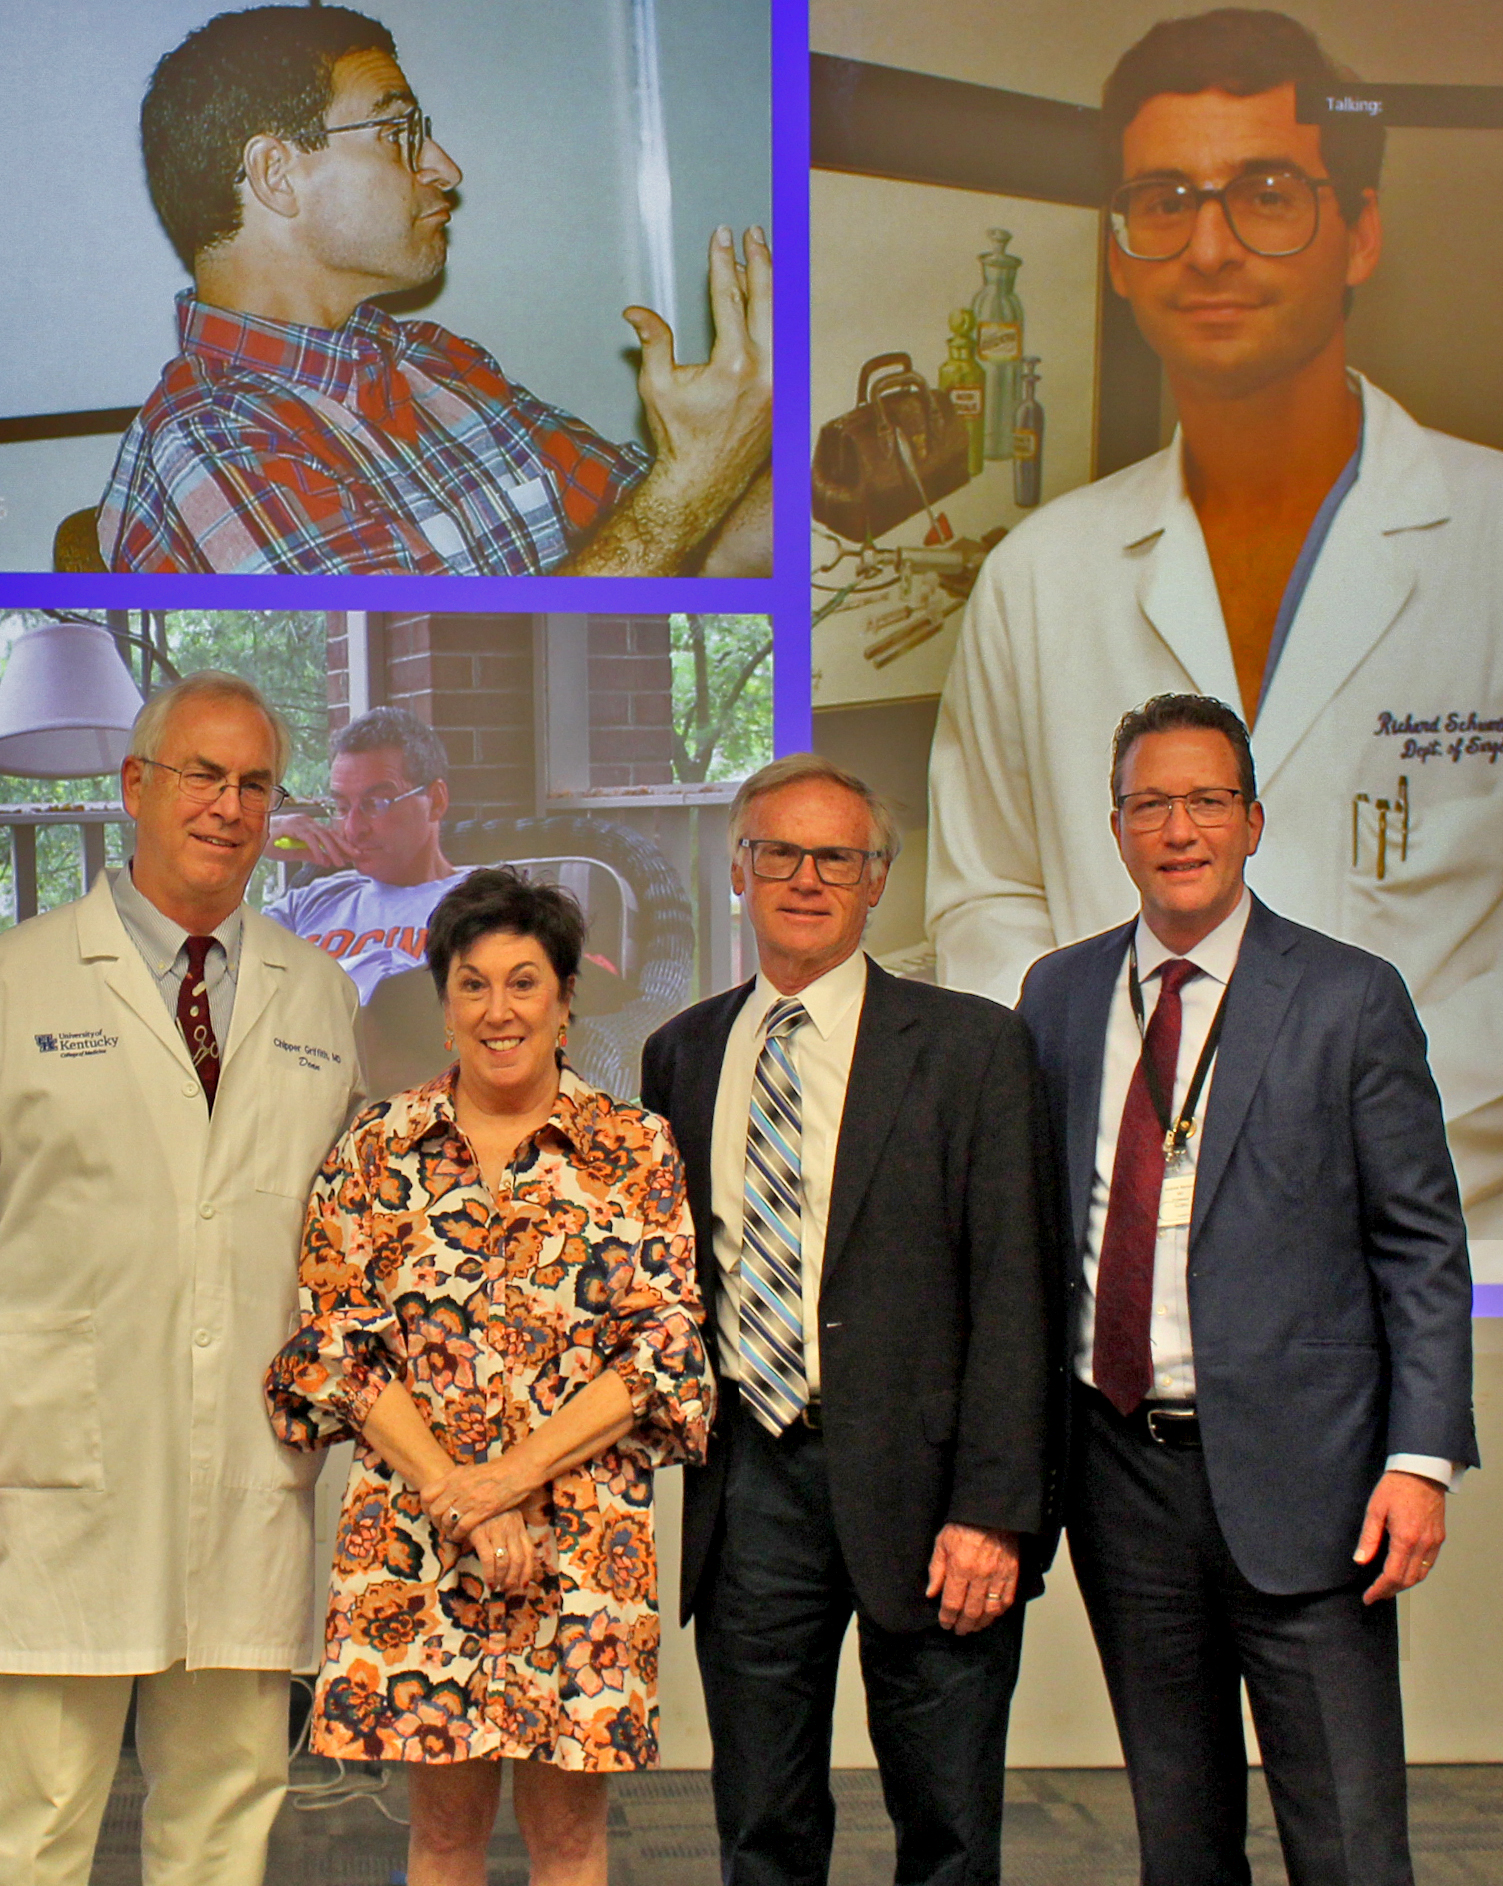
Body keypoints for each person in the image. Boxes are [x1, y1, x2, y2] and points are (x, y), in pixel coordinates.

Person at [926, 7, 1503, 1240]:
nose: (1210, 243)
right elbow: (984, 902)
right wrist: (1103, 1094)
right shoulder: (1038, 573)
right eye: (1164, 199)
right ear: (1122, 253)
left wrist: (1310, 1114)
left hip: (1441, 1216)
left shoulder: (1490, 535)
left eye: (1267, 192)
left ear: (1358, 232)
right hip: (1120, 1213)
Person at [0, 671, 362, 1886]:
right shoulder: (8, 982)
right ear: (136, 785)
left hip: (246, 1458)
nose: (228, 805)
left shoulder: (319, 993)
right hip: (59, 1464)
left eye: (253, 782)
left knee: (228, 1801)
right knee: (42, 1809)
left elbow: (337, 1232)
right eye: (202, 774)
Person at [1016, 693, 1476, 1886]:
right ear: (1114, 827)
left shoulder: (1347, 994)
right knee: (1178, 1838)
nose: (1180, 828)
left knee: (1350, 1843)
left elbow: (1421, 1245)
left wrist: (1418, 1460)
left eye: (1206, 800)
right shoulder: (1057, 995)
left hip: (1311, 1482)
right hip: (1121, 1472)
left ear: (1254, 820)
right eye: (1150, 803)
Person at [641, 755, 1056, 1886]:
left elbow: (1019, 1289)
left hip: (931, 1501)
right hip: (752, 1486)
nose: (807, 877)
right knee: (759, 1826)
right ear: (738, 869)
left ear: (880, 880)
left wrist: (995, 1510)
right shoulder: (680, 1052)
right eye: (780, 851)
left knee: (948, 1831)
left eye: (839, 856)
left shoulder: (973, 1047)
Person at [266, 866, 709, 1885]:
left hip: (580, 1541)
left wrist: (503, 1483)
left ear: (564, 1001)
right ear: (444, 1002)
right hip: (420, 1536)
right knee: (442, 1838)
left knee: (568, 1840)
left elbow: (660, 1350)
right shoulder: (377, 1149)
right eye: (472, 984)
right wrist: (455, 1493)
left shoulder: (632, 1148)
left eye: (523, 982)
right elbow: (334, 1347)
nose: (497, 1008)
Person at [98, 4, 770, 577]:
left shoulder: (434, 363)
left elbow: (691, 538)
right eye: (397, 133)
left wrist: (817, 472)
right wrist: (691, 480)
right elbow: (504, 645)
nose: (445, 168)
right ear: (275, 174)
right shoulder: (214, 440)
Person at [266, 704, 469, 1000]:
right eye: (342, 807)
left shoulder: (485, 902)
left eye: (375, 804)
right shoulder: (309, 904)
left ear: (435, 802)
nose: (352, 828)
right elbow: (208, 960)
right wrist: (255, 839)